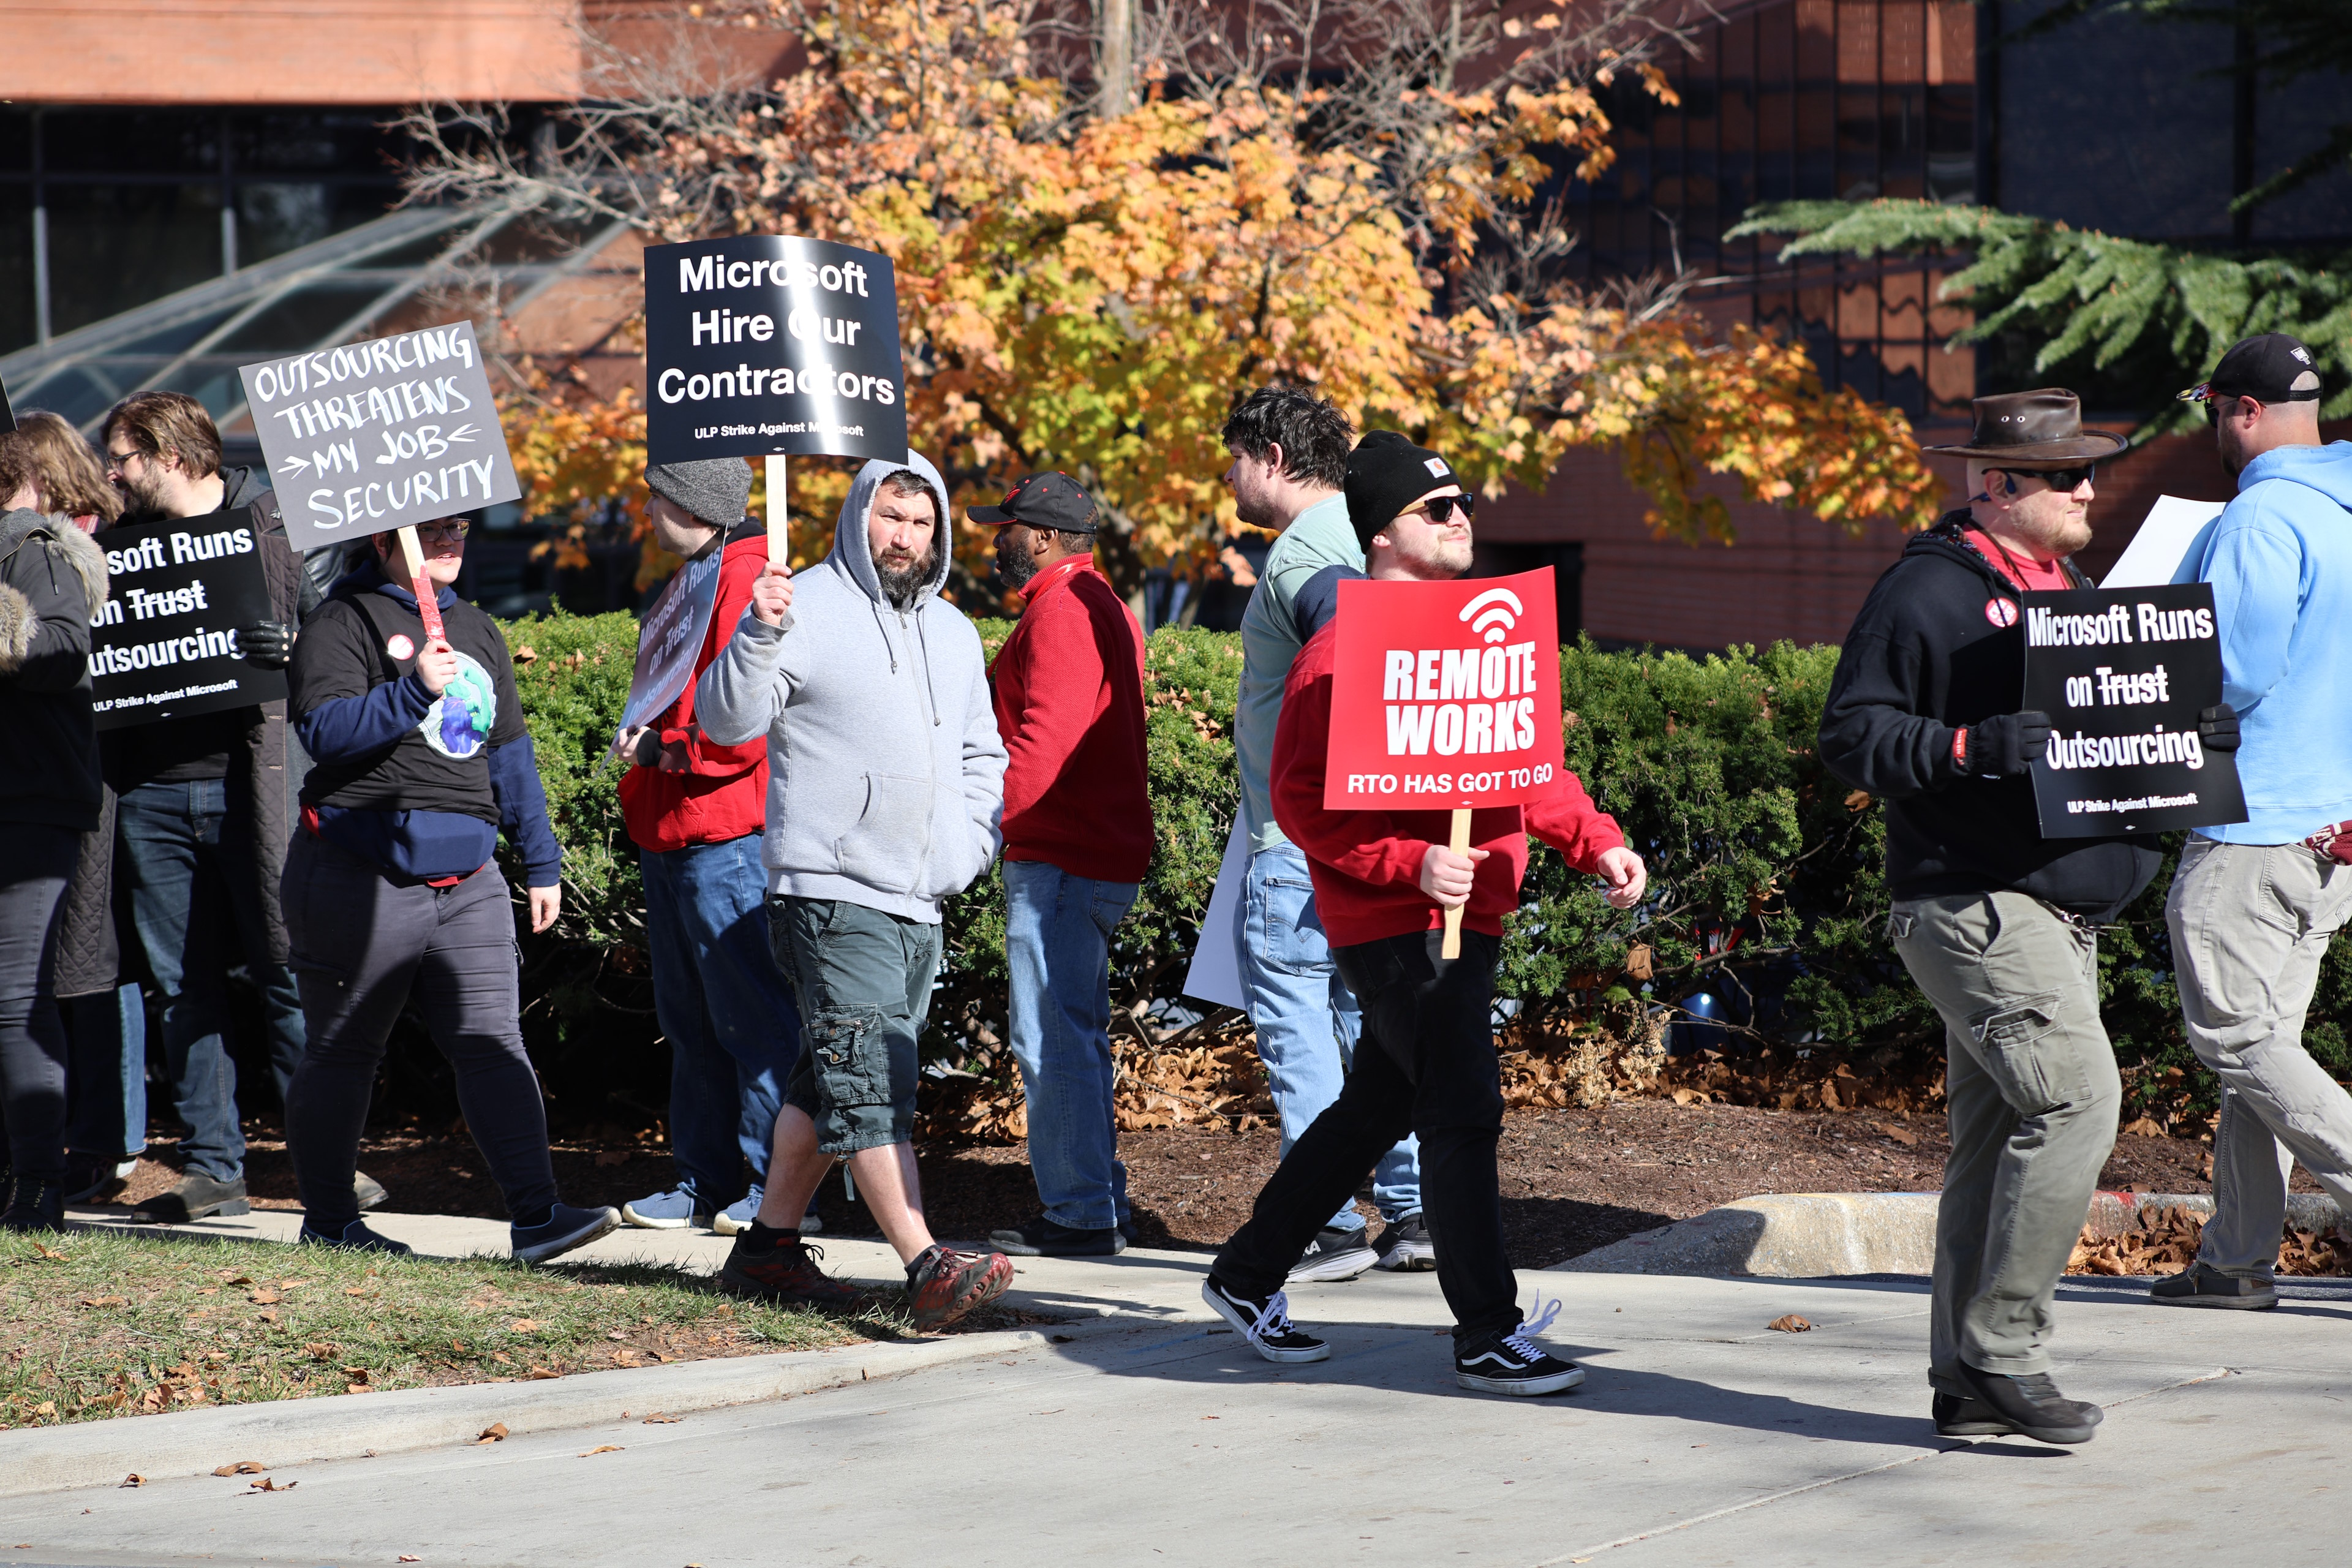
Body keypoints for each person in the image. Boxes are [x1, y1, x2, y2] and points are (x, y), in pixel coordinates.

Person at [1201, 431, 1646, 1395]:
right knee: (1462, 1108)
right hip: (1395, 927)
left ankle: (1245, 1273)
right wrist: (1410, 862)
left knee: (1378, 1105)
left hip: (1467, 916)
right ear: (1383, 533)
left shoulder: (1475, 634)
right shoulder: (1338, 650)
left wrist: (1593, 838)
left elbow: (1531, 770)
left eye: (1464, 504)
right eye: (1437, 510)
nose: (1462, 521)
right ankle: (1487, 1331)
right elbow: (1301, 801)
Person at [1819, 388, 2171, 1446]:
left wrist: (2179, 734)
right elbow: (1852, 735)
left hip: (2055, 913)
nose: (2088, 488)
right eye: (2066, 475)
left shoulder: (2071, 587)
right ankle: (2006, 1351)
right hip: (1976, 905)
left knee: (1995, 1137)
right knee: (2075, 1102)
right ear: (1997, 484)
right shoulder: (1927, 591)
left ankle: (1966, 1388)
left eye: (2090, 469)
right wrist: (1966, 750)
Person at [698, 453, 1014, 1328]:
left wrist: (970, 844)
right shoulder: (803, 607)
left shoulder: (953, 632)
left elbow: (985, 756)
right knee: (868, 1079)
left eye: (920, 522)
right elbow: (727, 725)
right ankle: (926, 1264)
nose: (905, 536)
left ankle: (767, 1251)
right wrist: (758, 633)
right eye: (890, 516)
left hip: (920, 901)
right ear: (856, 518)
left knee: (822, 1081)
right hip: (830, 893)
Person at [279, 514, 617, 1263]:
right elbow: (324, 731)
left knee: (493, 1043)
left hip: (469, 880)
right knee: (343, 1051)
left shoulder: (478, 628)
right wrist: (411, 691)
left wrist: (541, 859)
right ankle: (331, 1222)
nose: (452, 540)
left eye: (460, 526)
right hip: (356, 873)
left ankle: (538, 1218)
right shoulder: (342, 621)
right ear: (382, 540)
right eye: (431, 530)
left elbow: (511, 754)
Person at [97, 391, 349, 1224]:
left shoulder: (275, 526)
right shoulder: (117, 546)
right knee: (181, 990)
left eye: (123, 456)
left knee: (285, 975)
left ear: (172, 454)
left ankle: (328, 1162)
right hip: (152, 796)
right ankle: (214, 1169)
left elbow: (339, 645)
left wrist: (296, 648)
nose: (112, 472)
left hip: (257, 787)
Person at [2153, 334, 2352, 1310]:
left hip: (2253, 824)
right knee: (2261, 1054)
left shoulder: (2262, 520)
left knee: (2237, 1040)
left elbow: (2233, 669)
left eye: (2211, 407)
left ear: (2240, 412)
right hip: (2331, 833)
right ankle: (2236, 1261)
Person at [1224, 387, 1427, 1283]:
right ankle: (1417, 1213)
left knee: (1300, 1028)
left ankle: (1332, 1219)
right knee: (1378, 1032)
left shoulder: (1308, 551)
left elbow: (1348, 647)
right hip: (1377, 842)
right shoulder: (1377, 538)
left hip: (1299, 842)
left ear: (1270, 455)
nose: (1227, 477)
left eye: (1233, 457)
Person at [611, 459, 811, 1238]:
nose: (649, 507)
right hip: (678, 828)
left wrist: (669, 748)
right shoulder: (704, 575)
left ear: (690, 503)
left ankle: (776, 1189)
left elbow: (744, 716)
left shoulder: (746, 580)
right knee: (691, 1020)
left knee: (752, 1021)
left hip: (723, 831)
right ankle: (703, 1181)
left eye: (658, 495)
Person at [972, 473, 1152, 1257]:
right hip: (1088, 853)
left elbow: (1047, 742)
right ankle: (1097, 1200)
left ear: (1042, 537)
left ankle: (1081, 1214)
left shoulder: (1063, 611)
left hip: (1063, 856)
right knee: (1072, 1031)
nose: (996, 541)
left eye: (1007, 529)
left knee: (1051, 1036)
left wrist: (984, 829)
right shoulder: (1101, 602)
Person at [0, 413, 147, 1205]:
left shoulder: (38, 551)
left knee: (14, 994)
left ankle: (38, 1184)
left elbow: (58, 648)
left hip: (30, 802)